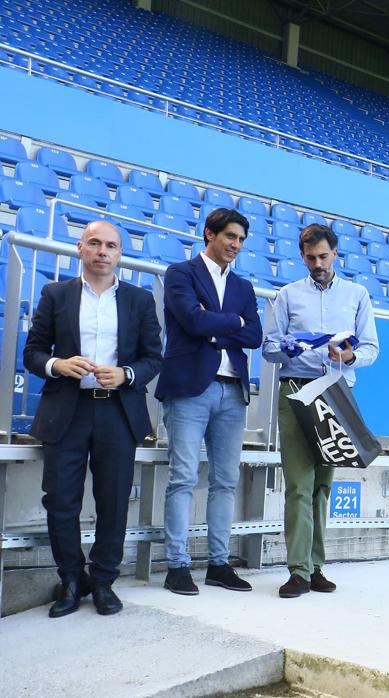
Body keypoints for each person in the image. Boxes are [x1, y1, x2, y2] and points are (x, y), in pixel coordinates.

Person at [23, 220, 163, 617]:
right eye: (95, 243)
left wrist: (126, 374)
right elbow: (32, 353)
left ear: (119, 254)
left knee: (114, 502)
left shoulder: (139, 300)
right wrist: (56, 364)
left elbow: (154, 357)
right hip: (67, 412)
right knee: (61, 502)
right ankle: (70, 580)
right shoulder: (55, 295)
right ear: (80, 248)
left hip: (118, 413)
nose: (103, 251)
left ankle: (103, 581)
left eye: (111, 246)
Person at [262, 223, 379, 598]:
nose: (317, 263)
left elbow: (372, 349)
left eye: (323, 257)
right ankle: (298, 570)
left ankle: (316, 568)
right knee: (299, 482)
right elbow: (268, 347)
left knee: (323, 484)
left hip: (336, 390)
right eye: (310, 258)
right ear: (302, 257)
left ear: (335, 254)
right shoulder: (287, 295)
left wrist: (348, 355)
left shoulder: (357, 294)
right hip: (296, 388)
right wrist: (289, 349)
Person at [155, 207, 262, 596]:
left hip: (232, 391)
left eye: (240, 240)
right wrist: (231, 323)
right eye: (230, 236)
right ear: (209, 234)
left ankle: (218, 564)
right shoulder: (180, 273)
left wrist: (220, 324)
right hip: (190, 388)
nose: (235, 245)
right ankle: (177, 566)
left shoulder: (244, 288)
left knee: (225, 482)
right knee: (183, 478)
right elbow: (192, 322)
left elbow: (254, 335)